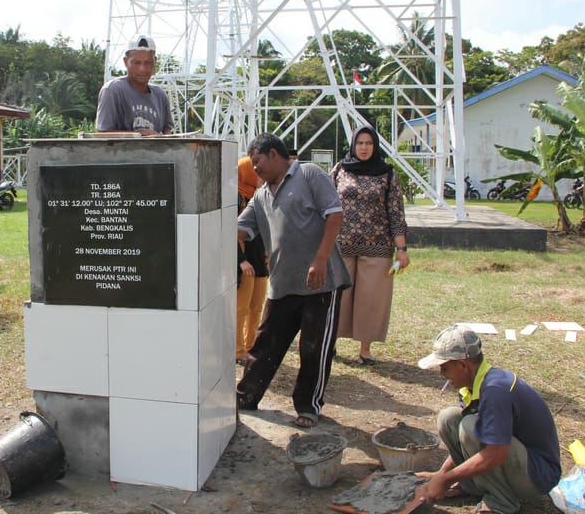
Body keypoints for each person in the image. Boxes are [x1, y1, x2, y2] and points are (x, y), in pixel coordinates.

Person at [235, 133, 350, 428]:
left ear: (274, 154)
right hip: (283, 284)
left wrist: (320, 258)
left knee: (313, 348)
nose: (255, 169)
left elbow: (334, 214)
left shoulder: (310, 174)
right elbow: (240, 229)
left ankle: (308, 406)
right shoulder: (261, 195)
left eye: (258, 162)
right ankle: (246, 396)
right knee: (264, 346)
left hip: (320, 283)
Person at [415, 325, 561, 514]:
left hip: (537, 475)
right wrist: (441, 475)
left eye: (445, 368)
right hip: (516, 461)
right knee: (449, 418)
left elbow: (495, 453)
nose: (442, 375)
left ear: (463, 365)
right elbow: (468, 443)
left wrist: (445, 479)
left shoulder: (495, 391)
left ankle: (501, 503)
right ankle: (470, 485)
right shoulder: (474, 385)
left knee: (470, 427)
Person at [330, 126, 409, 364]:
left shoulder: (387, 173)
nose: (364, 148)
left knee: (371, 299)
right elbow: (325, 204)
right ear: (353, 145)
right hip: (341, 244)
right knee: (337, 296)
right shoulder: (339, 170)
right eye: (360, 143)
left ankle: (365, 349)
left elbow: (396, 213)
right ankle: (330, 342)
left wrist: (402, 250)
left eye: (369, 143)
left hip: (378, 246)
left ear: (375, 146)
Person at [95, 35, 173, 136]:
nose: (142, 69)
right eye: (136, 63)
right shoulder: (113, 90)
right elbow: (102, 134)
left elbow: (168, 129)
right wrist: (138, 135)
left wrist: (165, 137)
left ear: (155, 62)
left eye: (148, 63)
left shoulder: (160, 95)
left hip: (155, 152)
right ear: (126, 61)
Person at [235, 155, 268, 364]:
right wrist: (241, 260)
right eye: (255, 172)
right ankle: (237, 351)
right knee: (241, 308)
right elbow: (229, 233)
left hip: (260, 259)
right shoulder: (235, 198)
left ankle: (251, 346)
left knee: (257, 307)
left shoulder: (261, 196)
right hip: (244, 262)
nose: (260, 176)